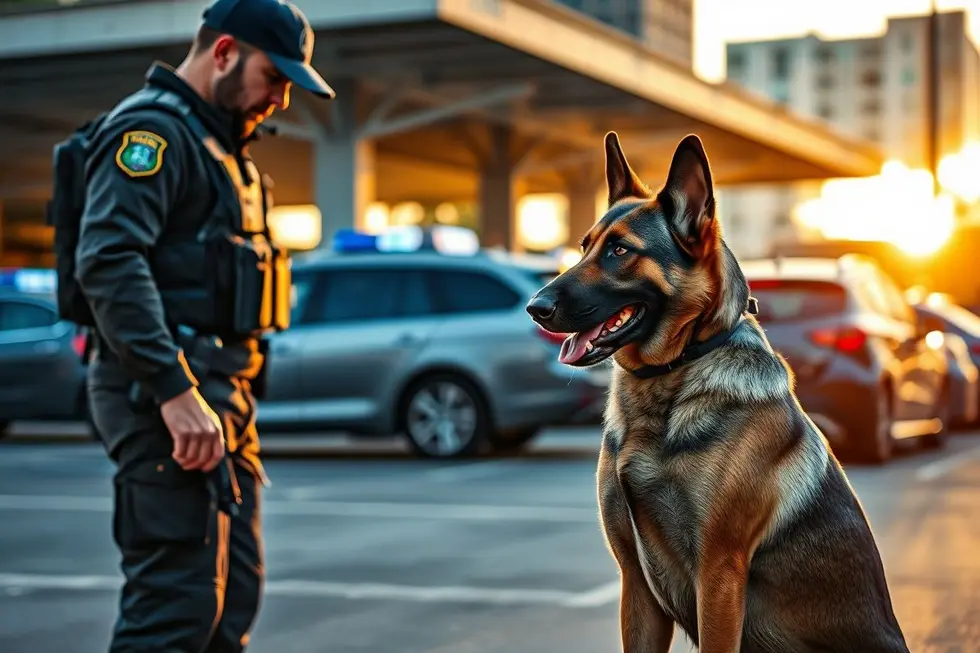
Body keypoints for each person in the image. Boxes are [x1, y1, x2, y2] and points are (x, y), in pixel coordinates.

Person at [70, 1, 335, 650]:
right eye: (273, 78)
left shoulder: (218, 144)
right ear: (223, 53)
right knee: (174, 610)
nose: (279, 99)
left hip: (220, 401)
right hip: (163, 402)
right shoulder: (151, 135)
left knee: (229, 605)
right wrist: (174, 391)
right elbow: (107, 260)